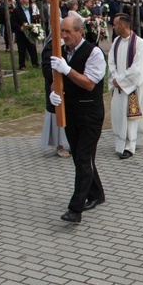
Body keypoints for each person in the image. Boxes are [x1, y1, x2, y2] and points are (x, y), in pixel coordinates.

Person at [48, 15, 107, 223]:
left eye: (67, 32)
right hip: (71, 113)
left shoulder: (95, 53)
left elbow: (89, 83)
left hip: (90, 114)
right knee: (81, 158)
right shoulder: (63, 52)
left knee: (83, 158)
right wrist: (53, 93)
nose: (64, 36)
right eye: (62, 32)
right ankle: (97, 194)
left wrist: (67, 69)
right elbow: (57, 80)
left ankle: (75, 209)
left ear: (79, 32)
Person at [107, 13, 143, 159]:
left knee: (131, 116)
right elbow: (111, 62)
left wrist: (121, 81)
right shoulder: (116, 42)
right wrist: (114, 78)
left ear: (122, 26)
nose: (113, 27)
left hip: (132, 88)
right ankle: (120, 143)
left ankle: (130, 146)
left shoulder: (139, 43)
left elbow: (138, 68)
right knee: (119, 114)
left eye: (114, 24)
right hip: (118, 86)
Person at [40, 34, 70, 158]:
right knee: (57, 113)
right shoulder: (49, 48)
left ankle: (69, 142)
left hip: (67, 85)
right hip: (55, 85)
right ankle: (59, 145)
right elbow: (47, 69)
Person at [11, 0, 40, 70]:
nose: (27, 4)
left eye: (27, 2)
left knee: (32, 48)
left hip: (30, 32)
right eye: (25, 2)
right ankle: (22, 65)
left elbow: (32, 19)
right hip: (21, 34)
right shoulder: (17, 10)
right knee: (22, 50)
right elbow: (13, 22)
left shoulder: (30, 9)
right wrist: (19, 28)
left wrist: (34, 26)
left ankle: (35, 63)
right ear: (22, 3)